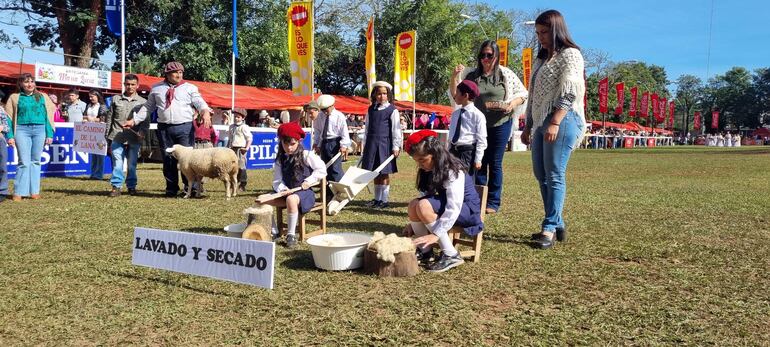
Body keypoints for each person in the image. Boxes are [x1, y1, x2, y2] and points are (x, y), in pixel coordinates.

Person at [521, 9, 586, 249]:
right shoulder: (541, 59)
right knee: (541, 174)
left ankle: (548, 227)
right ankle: (557, 221)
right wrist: (528, 125)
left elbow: (570, 90)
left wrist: (556, 120)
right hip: (539, 121)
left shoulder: (571, 55)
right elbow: (534, 96)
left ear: (556, 30)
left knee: (555, 174)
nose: (541, 37)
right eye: (538, 33)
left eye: (545, 32)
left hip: (563, 119)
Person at [450, 39, 528, 214]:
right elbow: (456, 94)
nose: (485, 58)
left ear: (496, 56)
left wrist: (511, 104)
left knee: (495, 162)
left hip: (500, 123)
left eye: (489, 55)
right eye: (483, 55)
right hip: (476, 125)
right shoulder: (471, 74)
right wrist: (454, 77)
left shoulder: (505, 74)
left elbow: (523, 94)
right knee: (479, 162)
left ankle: (493, 201)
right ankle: (477, 197)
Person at [401, 130, 484, 273]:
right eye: (416, 161)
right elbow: (427, 195)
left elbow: (454, 206)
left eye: (422, 160)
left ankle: (451, 254)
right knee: (414, 204)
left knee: (423, 205)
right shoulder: (429, 169)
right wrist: (413, 223)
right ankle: (426, 251)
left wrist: (436, 234)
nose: (419, 164)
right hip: (448, 206)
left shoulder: (453, 170)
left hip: (466, 210)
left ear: (435, 154)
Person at [133, 61, 212, 197]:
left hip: (185, 127)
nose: (179, 74)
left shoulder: (190, 88)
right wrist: (134, 120)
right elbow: (148, 107)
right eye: (176, 72)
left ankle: (190, 188)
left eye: (181, 72)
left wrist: (204, 110)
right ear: (168, 74)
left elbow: (199, 101)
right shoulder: (156, 88)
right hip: (164, 128)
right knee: (168, 159)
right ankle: (171, 188)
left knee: (187, 160)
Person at [261, 121, 326, 248]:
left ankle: (291, 234)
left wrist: (309, 181)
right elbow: (277, 181)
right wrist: (283, 189)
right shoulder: (280, 159)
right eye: (286, 144)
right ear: (281, 142)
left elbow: (322, 170)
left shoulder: (306, 155)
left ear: (298, 142)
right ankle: (274, 232)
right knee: (261, 200)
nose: (289, 147)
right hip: (286, 193)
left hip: (304, 194)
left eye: (292, 144)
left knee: (291, 199)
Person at [3, 73, 56, 201]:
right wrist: (9, 136)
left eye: (32, 81)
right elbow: (8, 119)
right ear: (20, 84)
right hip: (21, 130)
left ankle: (34, 191)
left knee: (36, 161)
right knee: (24, 162)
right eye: (26, 82)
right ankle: (19, 191)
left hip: (40, 130)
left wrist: (49, 133)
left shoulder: (42, 96)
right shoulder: (14, 98)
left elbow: (48, 116)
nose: (30, 84)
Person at [360, 81, 402, 209]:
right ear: (375, 95)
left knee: (384, 173)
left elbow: (396, 129)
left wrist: (396, 146)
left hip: (385, 144)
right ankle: (377, 199)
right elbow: (367, 128)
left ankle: (384, 200)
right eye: (379, 94)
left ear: (388, 95)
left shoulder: (392, 110)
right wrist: (364, 145)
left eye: (384, 94)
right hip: (372, 144)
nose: (382, 96)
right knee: (375, 172)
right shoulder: (371, 109)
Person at [105, 74, 147, 197]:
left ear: (137, 86)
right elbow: (109, 119)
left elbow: (146, 121)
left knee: (132, 164)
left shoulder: (143, 102)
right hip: (116, 136)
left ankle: (131, 186)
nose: (130, 87)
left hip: (134, 137)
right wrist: (107, 136)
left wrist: (142, 132)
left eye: (133, 84)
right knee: (118, 163)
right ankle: (116, 187)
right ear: (124, 84)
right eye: (127, 84)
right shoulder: (115, 99)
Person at [313, 94, 351, 197]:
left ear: (332, 106)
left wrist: (343, 145)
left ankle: (338, 192)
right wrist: (316, 143)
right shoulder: (320, 116)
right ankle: (327, 192)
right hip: (324, 143)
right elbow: (317, 131)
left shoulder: (339, 116)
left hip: (335, 143)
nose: (324, 111)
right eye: (322, 109)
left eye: (326, 109)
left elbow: (344, 133)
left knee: (335, 168)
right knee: (324, 168)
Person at [448, 80, 487, 176]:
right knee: (450, 179)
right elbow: (452, 134)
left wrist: (478, 159)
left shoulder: (478, 115)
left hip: (467, 153)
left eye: (457, 93)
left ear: (465, 96)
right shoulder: (455, 114)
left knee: (464, 181)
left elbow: (481, 139)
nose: (455, 95)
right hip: (453, 152)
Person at [85, 89, 109, 180]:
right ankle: (93, 173)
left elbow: (103, 119)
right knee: (93, 154)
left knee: (100, 154)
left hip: (100, 132)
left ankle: (99, 174)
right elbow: (84, 115)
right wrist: (86, 119)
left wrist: (92, 119)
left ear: (98, 96)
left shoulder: (102, 106)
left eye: (92, 96)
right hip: (90, 132)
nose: (91, 98)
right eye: (90, 96)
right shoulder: (89, 106)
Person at [228, 108, 252, 192]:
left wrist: (246, 148)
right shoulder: (231, 127)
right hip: (233, 148)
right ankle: (233, 183)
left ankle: (242, 184)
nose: (236, 118)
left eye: (238, 117)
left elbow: (249, 138)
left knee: (242, 166)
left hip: (241, 148)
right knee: (232, 166)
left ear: (243, 118)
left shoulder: (244, 127)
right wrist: (229, 147)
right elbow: (230, 138)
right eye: (235, 116)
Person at [0, 90, 11, 202]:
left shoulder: (1, 110)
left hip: (0, 138)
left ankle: (2, 191)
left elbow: (7, 127)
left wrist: (2, 128)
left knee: (2, 166)